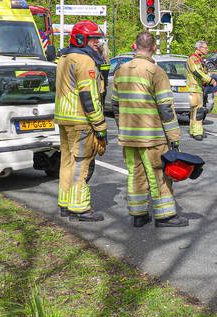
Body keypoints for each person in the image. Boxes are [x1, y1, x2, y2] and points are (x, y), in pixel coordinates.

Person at [113, 32, 186, 228]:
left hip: (128, 136)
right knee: (158, 175)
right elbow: (165, 108)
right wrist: (174, 137)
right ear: (154, 48)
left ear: (133, 46)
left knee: (135, 174)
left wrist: (123, 128)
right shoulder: (156, 72)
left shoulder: (121, 71)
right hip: (152, 137)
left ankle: (139, 215)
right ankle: (165, 216)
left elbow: (115, 105)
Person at [55, 20, 108, 222]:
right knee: (80, 164)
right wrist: (100, 126)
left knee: (66, 163)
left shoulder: (64, 58)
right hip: (81, 120)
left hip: (64, 118)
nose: (97, 42)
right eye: (93, 38)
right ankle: (80, 208)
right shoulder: (85, 61)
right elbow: (89, 97)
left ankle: (65, 203)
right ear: (81, 39)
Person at [186, 40, 215, 140]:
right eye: (205, 48)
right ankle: (197, 132)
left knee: (195, 111)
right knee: (198, 111)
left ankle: (194, 131)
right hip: (194, 88)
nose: (207, 50)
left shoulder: (200, 59)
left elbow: (203, 72)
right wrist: (210, 80)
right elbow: (197, 71)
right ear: (199, 48)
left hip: (198, 88)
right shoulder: (193, 58)